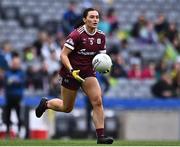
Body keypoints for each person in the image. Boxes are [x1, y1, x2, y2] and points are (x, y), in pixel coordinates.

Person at [35, 8, 113, 144]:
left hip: (88, 73)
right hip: (71, 73)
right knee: (67, 108)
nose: (95, 19)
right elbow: (63, 55)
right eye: (92, 17)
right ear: (84, 19)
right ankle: (46, 103)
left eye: (97, 17)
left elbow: (101, 57)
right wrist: (71, 70)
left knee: (98, 101)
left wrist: (104, 66)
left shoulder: (101, 36)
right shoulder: (76, 35)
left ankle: (101, 136)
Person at [4, 53, 25, 137]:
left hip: (18, 97)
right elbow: (6, 82)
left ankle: (19, 132)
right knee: (7, 115)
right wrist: (14, 81)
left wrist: (13, 81)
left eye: (17, 63)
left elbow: (21, 82)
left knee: (19, 115)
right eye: (14, 63)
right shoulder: (7, 72)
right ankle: (7, 132)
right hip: (9, 97)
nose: (15, 65)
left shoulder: (21, 73)